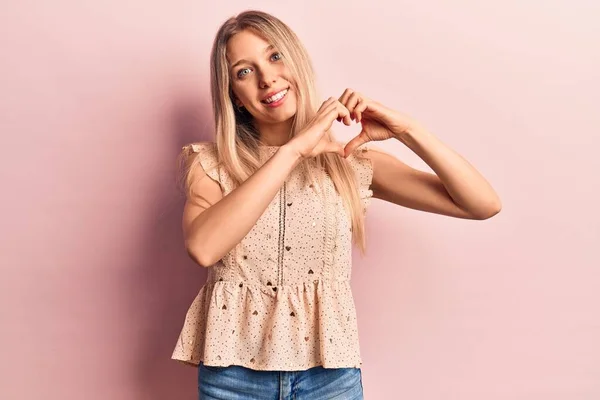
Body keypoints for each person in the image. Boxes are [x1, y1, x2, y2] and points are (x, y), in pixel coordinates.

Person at [172, 9, 501, 400]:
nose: (267, 78)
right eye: (244, 71)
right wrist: (294, 149)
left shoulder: (348, 160)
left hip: (329, 377)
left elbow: (482, 204)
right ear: (234, 97)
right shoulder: (211, 163)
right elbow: (204, 247)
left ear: (296, 61)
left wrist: (407, 130)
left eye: (275, 56)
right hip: (233, 378)